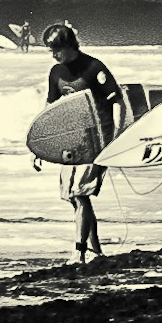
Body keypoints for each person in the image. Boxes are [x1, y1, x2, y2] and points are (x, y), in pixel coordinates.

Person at [43, 22, 128, 263]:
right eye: (50, 50)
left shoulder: (94, 68)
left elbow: (117, 101)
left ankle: (78, 252)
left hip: (97, 140)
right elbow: (50, 109)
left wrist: (118, 135)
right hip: (72, 142)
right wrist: (39, 146)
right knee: (73, 196)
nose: (53, 55)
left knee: (80, 193)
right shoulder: (56, 72)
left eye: (57, 49)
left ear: (70, 46)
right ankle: (96, 251)